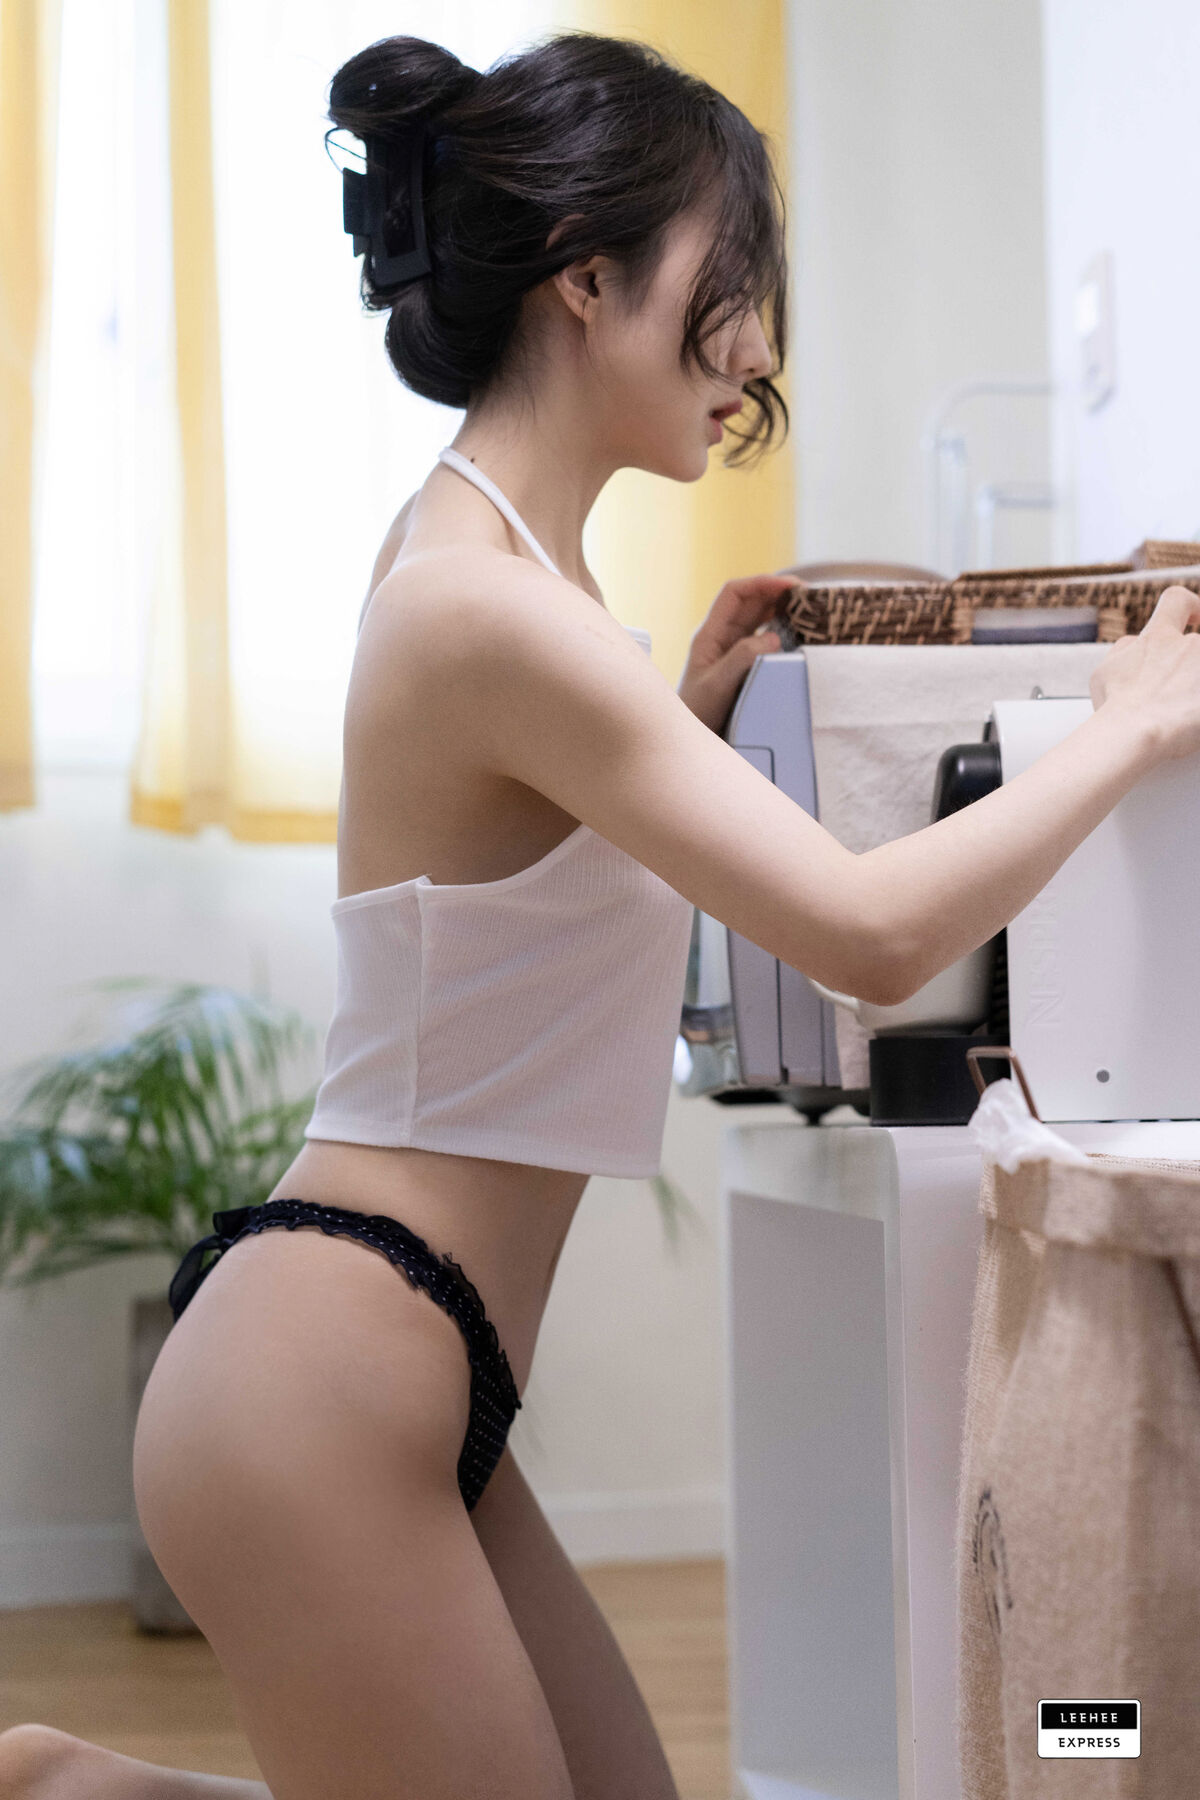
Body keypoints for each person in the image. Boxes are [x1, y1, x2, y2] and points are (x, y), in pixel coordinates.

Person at [4, 26, 1200, 1800]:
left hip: (406, 1371)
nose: (759, 353)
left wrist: (687, 718)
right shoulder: (488, 609)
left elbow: (520, 895)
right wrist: (1130, 727)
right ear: (586, 274)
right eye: (736, 282)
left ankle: (71, 1784)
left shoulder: (511, 576)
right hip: (320, 1377)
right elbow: (869, 936)